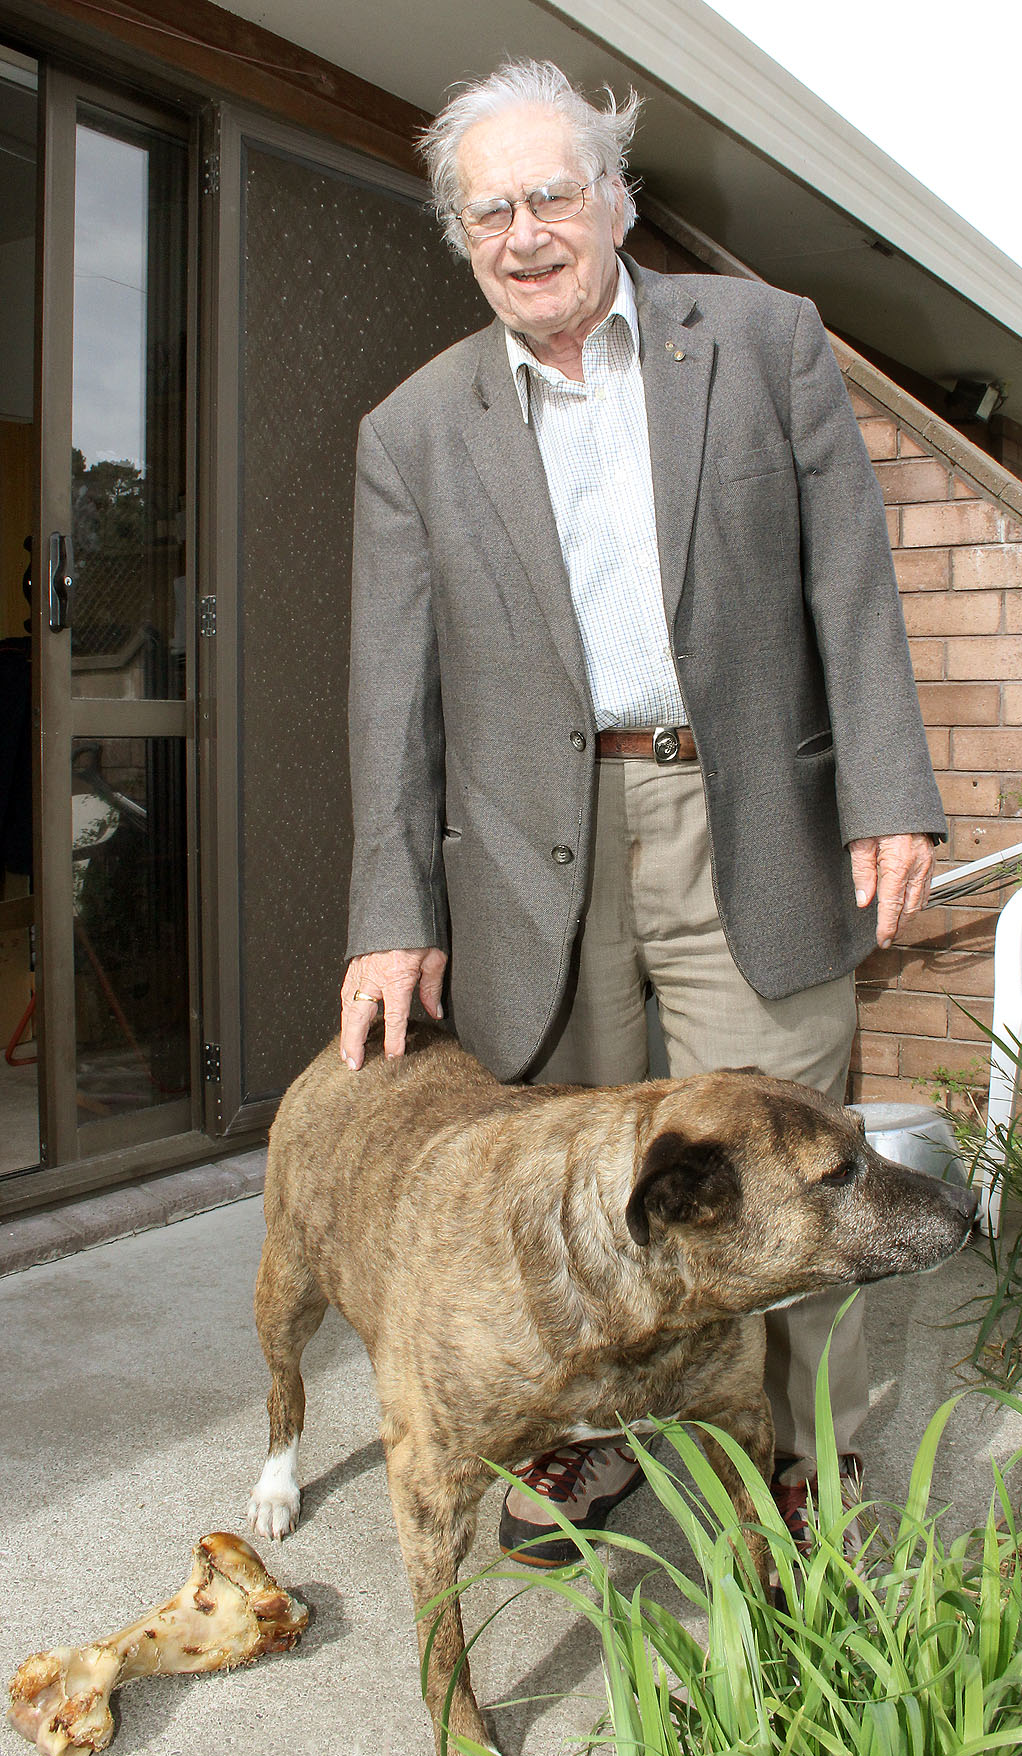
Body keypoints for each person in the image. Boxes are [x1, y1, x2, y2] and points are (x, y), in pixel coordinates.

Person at [339, 59, 946, 1566]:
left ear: (614, 197)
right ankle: (578, 1450)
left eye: (553, 193)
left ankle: (808, 1471)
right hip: (531, 862)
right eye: (491, 208)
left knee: (797, 1177)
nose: (526, 230)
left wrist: (887, 793)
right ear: (459, 232)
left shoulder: (759, 342)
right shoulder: (410, 429)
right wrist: (391, 909)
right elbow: (389, 688)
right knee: (568, 1186)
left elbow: (846, 585)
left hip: (744, 816)